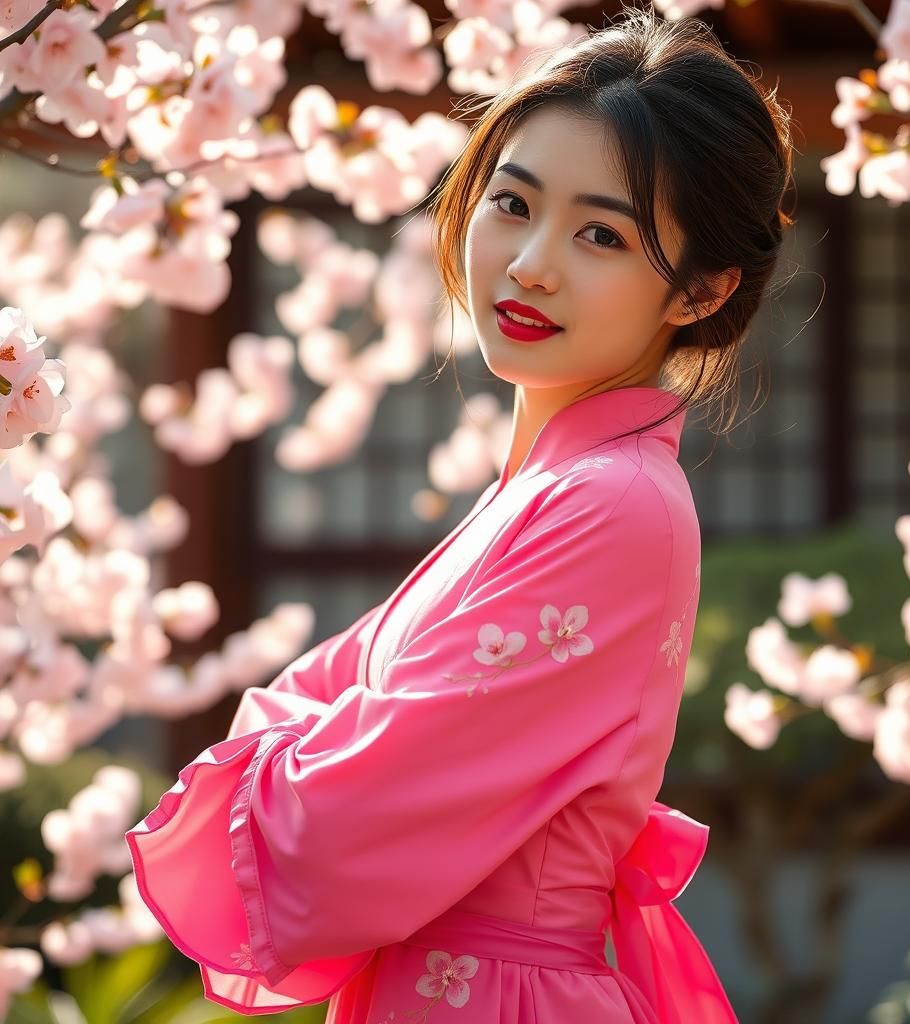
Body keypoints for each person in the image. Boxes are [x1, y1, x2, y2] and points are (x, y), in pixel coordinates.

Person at [124, 4, 794, 1022]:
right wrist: (315, 740)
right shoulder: (545, 492)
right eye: (512, 204)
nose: (530, 264)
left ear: (697, 292)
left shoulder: (607, 505)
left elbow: (332, 825)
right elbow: (317, 720)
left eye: (601, 234)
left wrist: (299, 748)